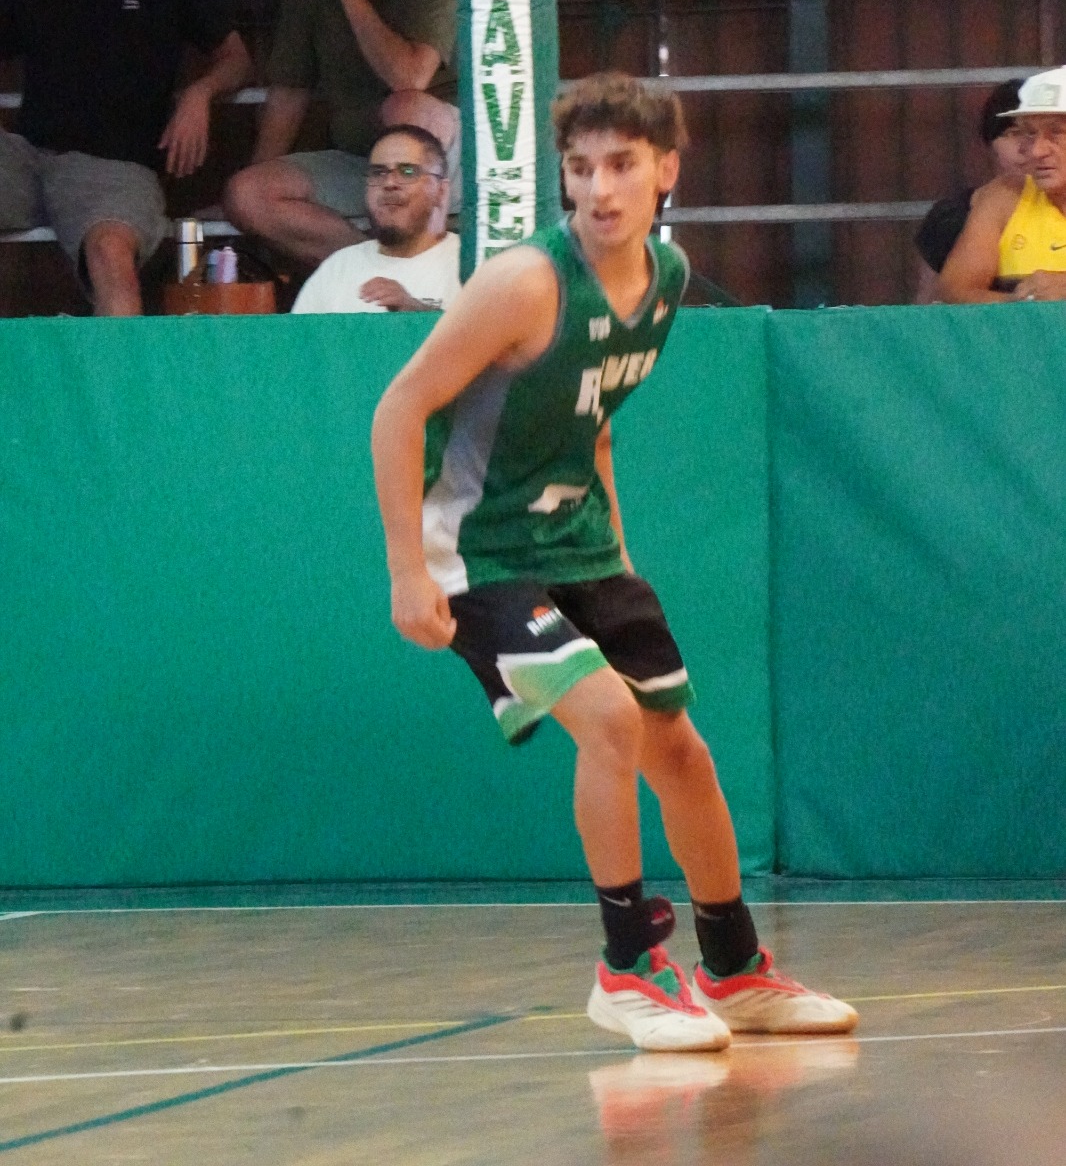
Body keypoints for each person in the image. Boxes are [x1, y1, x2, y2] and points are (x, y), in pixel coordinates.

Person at [371, 73, 857, 1053]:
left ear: (665, 170)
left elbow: (592, 424)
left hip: (582, 543)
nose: (598, 188)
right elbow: (400, 406)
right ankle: (627, 967)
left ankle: (735, 970)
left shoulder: (666, 279)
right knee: (609, 722)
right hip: (479, 551)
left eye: (621, 165)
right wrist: (407, 571)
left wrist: (619, 555)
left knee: (682, 751)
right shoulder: (525, 282)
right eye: (580, 167)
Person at [0, 0, 251, 316]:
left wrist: (199, 94)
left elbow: (237, 60)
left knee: (110, 256)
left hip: (113, 170)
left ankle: (116, 367)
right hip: (25, 157)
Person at [224, 0, 457, 267]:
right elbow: (289, 93)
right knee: (245, 194)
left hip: (448, 159)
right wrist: (255, 186)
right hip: (362, 160)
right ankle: (379, 271)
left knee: (405, 107)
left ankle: (418, 258)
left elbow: (409, 77)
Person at [291, 125, 459, 314]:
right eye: (378, 172)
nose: (389, 183)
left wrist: (417, 312)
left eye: (407, 172)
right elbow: (300, 334)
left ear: (441, 191)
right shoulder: (337, 268)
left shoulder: (469, 263)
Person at [940, 64, 1066, 303]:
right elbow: (954, 292)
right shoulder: (1005, 195)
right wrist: (1027, 307)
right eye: (1030, 133)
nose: (1036, 151)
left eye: (1056, 133)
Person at [913, 82, 1029, 302]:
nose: (1029, 147)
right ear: (989, 143)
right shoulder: (952, 217)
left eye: (1051, 133)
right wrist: (1028, 305)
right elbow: (928, 304)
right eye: (1013, 133)